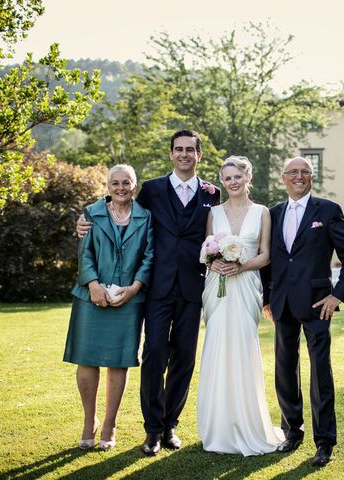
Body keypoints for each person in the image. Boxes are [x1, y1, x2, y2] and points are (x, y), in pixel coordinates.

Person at [77, 130, 220, 455]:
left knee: (184, 357)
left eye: (190, 150)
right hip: (155, 286)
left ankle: (170, 426)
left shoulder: (213, 192)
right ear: (171, 154)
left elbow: (220, 230)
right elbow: (119, 203)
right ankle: (152, 430)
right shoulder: (153, 190)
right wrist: (85, 218)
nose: (184, 154)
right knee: (154, 353)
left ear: (199, 155)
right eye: (178, 149)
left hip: (192, 286)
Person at [261, 156, 344, 467]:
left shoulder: (327, 210)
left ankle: (324, 442)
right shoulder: (272, 214)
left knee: (320, 373)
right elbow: (267, 259)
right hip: (282, 304)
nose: (299, 176)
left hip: (318, 304)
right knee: (284, 369)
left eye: (305, 172)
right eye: (294, 172)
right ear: (283, 178)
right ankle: (292, 430)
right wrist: (266, 298)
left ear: (312, 178)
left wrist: (338, 296)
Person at [196, 156, 284, 455]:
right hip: (217, 289)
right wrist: (215, 261)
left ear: (248, 177)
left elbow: (266, 254)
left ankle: (248, 423)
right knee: (217, 349)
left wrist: (241, 266)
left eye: (237, 176)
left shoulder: (262, 213)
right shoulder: (214, 212)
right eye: (227, 178)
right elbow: (207, 249)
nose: (232, 182)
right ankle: (218, 426)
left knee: (243, 351)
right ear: (222, 182)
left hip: (246, 286)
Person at [64, 164, 154, 451]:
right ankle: (88, 422)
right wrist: (92, 285)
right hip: (90, 296)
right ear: (107, 186)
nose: (120, 188)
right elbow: (85, 254)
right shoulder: (91, 213)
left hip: (130, 298)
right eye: (114, 183)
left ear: (135, 185)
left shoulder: (146, 217)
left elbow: (150, 256)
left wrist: (135, 287)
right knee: (86, 358)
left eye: (126, 182)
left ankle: (109, 424)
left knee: (119, 361)